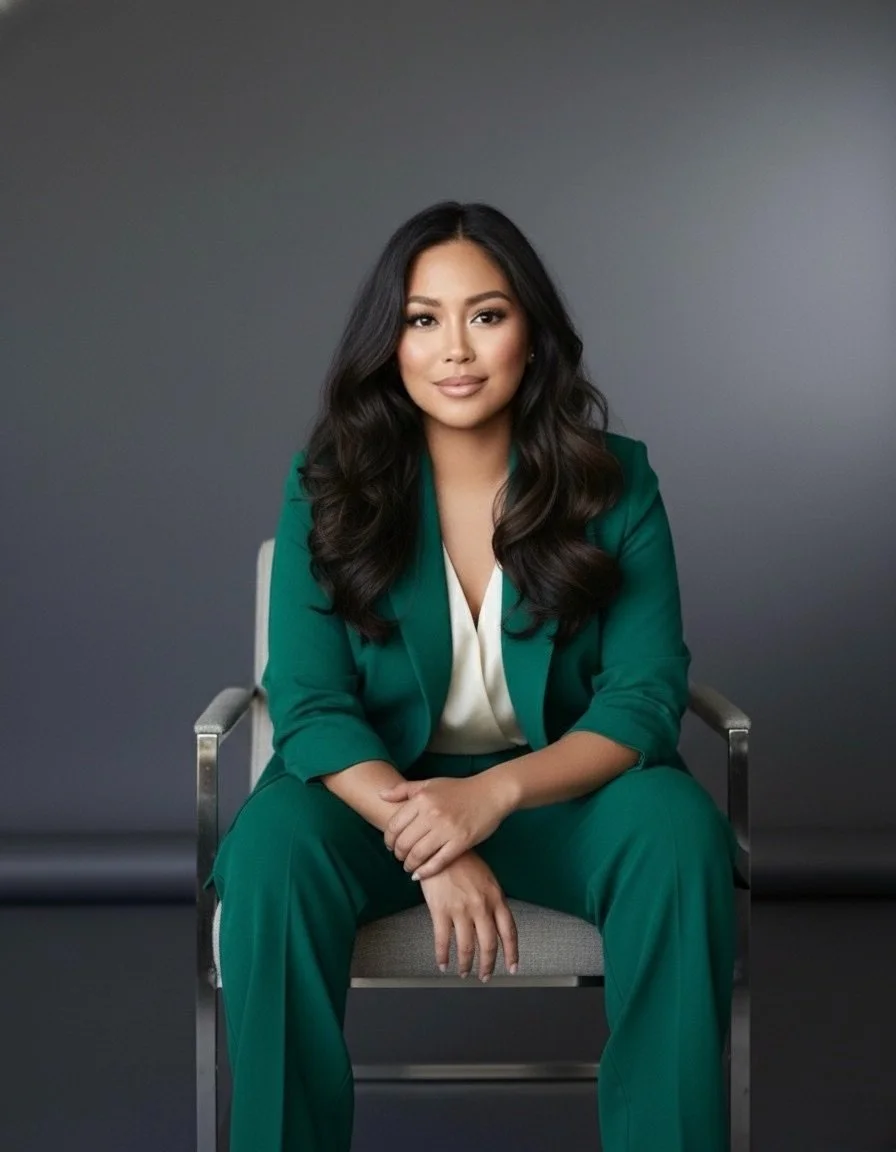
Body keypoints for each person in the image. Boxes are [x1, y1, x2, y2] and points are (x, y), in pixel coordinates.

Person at [203, 200, 740, 1152]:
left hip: (557, 799)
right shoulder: (326, 482)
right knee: (273, 843)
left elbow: (645, 697)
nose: (456, 349)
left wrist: (489, 797)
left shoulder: (616, 481)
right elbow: (314, 705)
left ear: (531, 336)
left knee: (676, 829)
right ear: (392, 343)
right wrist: (435, 839)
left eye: (486, 315)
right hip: (375, 807)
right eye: (423, 319)